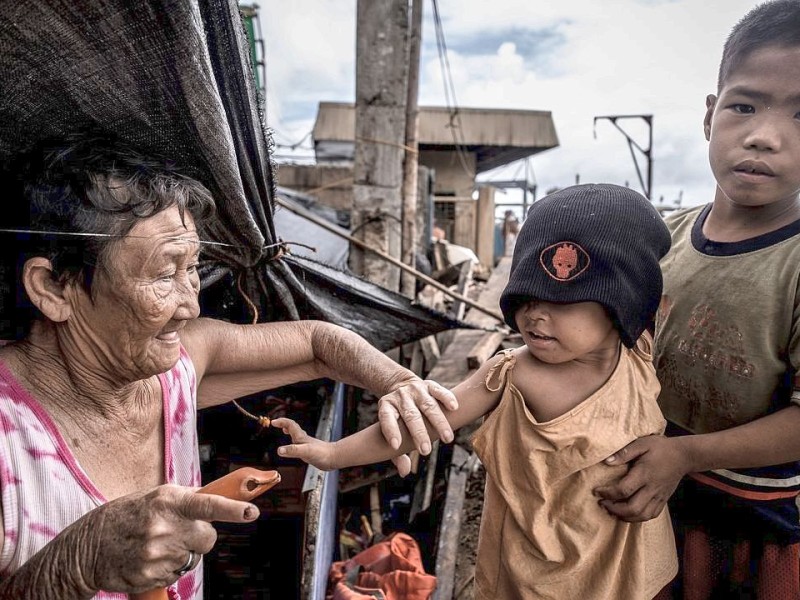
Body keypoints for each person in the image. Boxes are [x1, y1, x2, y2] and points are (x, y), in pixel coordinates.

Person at [0, 133, 457, 599]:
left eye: (192, 268)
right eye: (163, 274)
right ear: (54, 288)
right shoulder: (7, 442)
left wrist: (398, 383)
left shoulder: (173, 367)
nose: (190, 306)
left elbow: (319, 343)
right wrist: (75, 563)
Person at [274, 183, 679, 599]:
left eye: (562, 301)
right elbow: (424, 422)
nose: (534, 315)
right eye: (525, 298)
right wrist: (332, 454)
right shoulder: (514, 373)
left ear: (621, 304)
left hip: (632, 562)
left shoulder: (639, 355)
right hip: (545, 579)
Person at [593, 2, 800, 597]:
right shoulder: (663, 238)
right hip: (651, 492)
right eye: (744, 105)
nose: (764, 135)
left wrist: (684, 455)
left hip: (756, 522)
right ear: (710, 116)